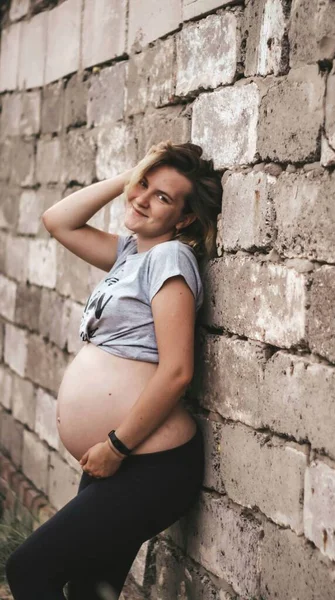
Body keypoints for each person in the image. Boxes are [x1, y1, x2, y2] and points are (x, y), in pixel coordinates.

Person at [5, 140, 222, 600]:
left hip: (147, 462)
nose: (143, 198)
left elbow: (178, 371)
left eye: (162, 197)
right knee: (89, 590)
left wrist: (117, 445)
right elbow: (57, 220)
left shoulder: (170, 258)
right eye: (143, 186)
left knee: (28, 569)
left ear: (184, 219)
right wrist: (134, 178)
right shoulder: (129, 254)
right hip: (118, 459)